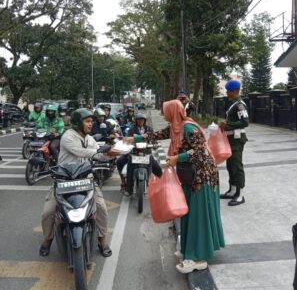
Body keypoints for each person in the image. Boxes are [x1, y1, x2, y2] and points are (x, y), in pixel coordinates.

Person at [124, 100, 225, 273]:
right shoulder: (175, 127)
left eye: (166, 111)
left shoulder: (188, 128)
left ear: (174, 112)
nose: (164, 115)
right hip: (190, 175)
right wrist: (134, 138)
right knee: (189, 214)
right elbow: (157, 135)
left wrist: (178, 158)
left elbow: (200, 152)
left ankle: (198, 258)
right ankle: (188, 249)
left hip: (202, 177)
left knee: (197, 216)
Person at [39, 108, 119, 257]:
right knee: (48, 212)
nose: (91, 124)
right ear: (77, 123)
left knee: (101, 207)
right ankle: (48, 238)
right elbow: (81, 152)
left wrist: (113, 154)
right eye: (87, 121)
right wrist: (104, 151)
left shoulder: (90, 139)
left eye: (91, 121)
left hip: (85, 179)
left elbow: (99, 156)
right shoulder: (68, 136)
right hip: (64, 180)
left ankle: (102, 238)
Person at [218, 79, 249, 206]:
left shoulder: (239, 105)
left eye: (229, 91)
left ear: (235, 91)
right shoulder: (233, 104)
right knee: (230, 165)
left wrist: (227, 125)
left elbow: (245, 122)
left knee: (236, 166)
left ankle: (240, 194)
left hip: (237, 140)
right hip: (230, 139)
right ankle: (232, 190)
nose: (227, 93)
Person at [117, 112, 162, 194]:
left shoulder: (149, 129)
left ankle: (162, 186)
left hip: (146, 152)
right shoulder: (132, 129)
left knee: (158, 168)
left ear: (144, 121)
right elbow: (128, 140)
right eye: (139, 120)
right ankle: (128, 188)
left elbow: (154, 140)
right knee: (120, 162)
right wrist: (128, 144)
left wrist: (155, 144)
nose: (140, 121)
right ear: (136, 121)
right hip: (133, 152)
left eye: (142, 120)